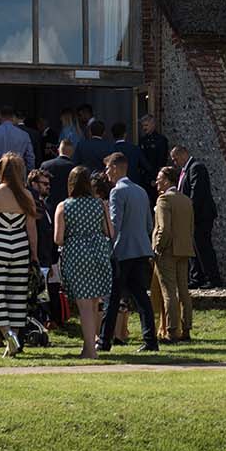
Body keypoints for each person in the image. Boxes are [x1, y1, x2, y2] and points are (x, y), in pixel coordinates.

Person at [0, 152, 38, 355]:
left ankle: (7, 333)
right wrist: (34, 255)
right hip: (19, 246)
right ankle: (14, 341)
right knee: (17, 294)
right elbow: (31, 230)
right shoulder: (27, 196)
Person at [100, 152, 160, 354]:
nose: (106, 173)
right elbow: (149, 224)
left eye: (108, 168)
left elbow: (114, 225)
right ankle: (150, 339)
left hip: (123, 251)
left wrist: (106, 242)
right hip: (141, 250)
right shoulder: (141, 191)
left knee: (112, 298)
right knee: (141, 296)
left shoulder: (117, 192)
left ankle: (104, 340)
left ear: (115, 168)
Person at [54, 166, 114, 358]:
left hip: (76, 255)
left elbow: (58, 238)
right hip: (98, 252)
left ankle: (90, 349)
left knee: (84, 305)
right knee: (94, 302)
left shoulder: (64, 206)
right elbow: (110, 231)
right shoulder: (99, 204)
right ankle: (91, 344)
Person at [151, 165, 198, 342]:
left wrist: (158, 247)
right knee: (184, 291)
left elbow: (164, 228)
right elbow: (190, 227)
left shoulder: (164, 199)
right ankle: (186, 328)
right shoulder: (186, 200)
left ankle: (171, 330)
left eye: (159, 179)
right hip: (184, 249)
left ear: (167, 180)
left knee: (168, 292)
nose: (157, 183)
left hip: (168, 250)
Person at [175, 145, 225, 288]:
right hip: (194, 216)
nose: (175, 162)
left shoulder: (196, 168)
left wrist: (188, 212)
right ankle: (197, 278)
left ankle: (212, 278)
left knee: (203, 246)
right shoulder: (186, 170)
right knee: (194, 248)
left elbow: (196, 193)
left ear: (183, 154)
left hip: (201, 216)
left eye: (175, 158)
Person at [0, 105, 36, 171]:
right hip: (16, 172)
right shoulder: (24, 135)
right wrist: (29, 171)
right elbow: (30, 157)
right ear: (13, 117)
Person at [42, 138, 77, 209]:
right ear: (72, 152)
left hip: (49, 204)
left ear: (58, 150)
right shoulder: (73, 168)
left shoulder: (45, 165)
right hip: (67, 206)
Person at [137, 114, 170, 189]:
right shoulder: (142, 140)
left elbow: (162, 161)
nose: (144, 128)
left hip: (154, 177)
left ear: (153, 125)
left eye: (146, 125)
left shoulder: (160, 140)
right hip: (143, 178)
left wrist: (155, 178)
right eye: (143, 126)